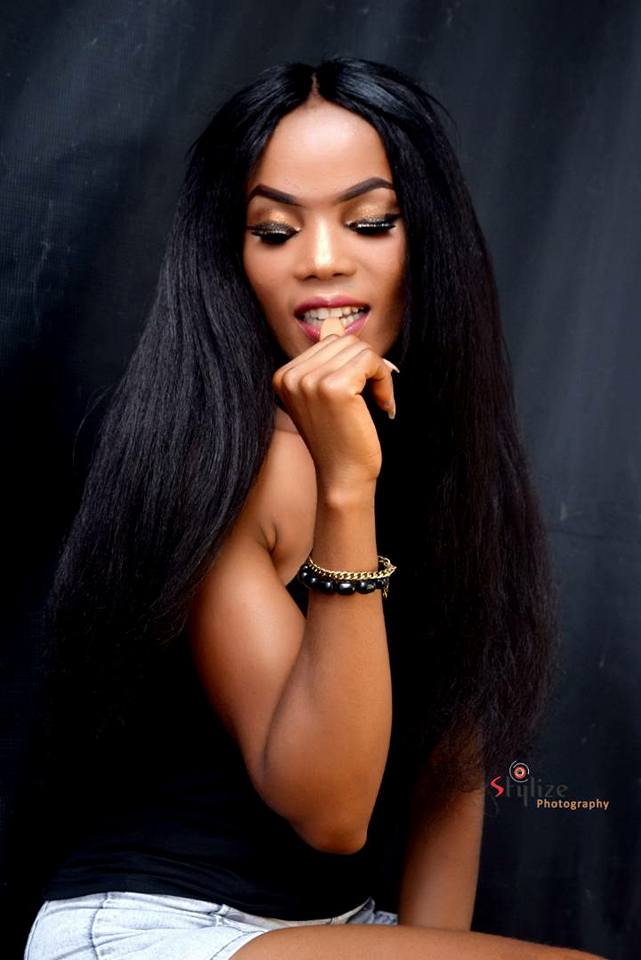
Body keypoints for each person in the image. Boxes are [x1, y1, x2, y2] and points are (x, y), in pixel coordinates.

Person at [23, 57, 607, 960]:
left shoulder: (448, 477)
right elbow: (330, 813)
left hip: (337, 933)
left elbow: (449, 782)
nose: (323, 260)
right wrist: (344, 487)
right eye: (273, 230)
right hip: (157, 928)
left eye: (369, 222)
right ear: (233, 257)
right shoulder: (227, 466)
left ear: (429, 242)